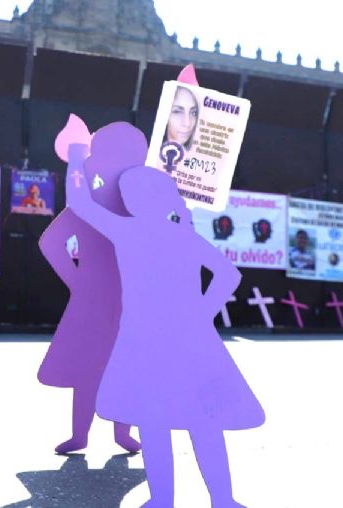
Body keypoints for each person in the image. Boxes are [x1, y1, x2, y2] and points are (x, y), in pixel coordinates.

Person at [65, 143, 262, 508]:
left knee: (153, 421)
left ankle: (163, 499)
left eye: (129, 192)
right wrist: (203, 312)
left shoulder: (128, 231)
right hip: (190, 342)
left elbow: (80, 202)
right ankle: (223, 499)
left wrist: (77, 159)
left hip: (145, 343)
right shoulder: (183, 235)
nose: (125, 197)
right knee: (203, 421)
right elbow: (228, 275)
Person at [37, 122, 144, 456]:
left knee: (117, 365)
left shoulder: (129, 211)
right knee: (93, 365)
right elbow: (52, 242)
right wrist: (77, 280)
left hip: (126, 301)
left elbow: (52, 242)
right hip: (99, 301)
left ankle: (114, 433)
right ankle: (86, 433)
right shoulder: (86, 209)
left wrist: (76, 280)